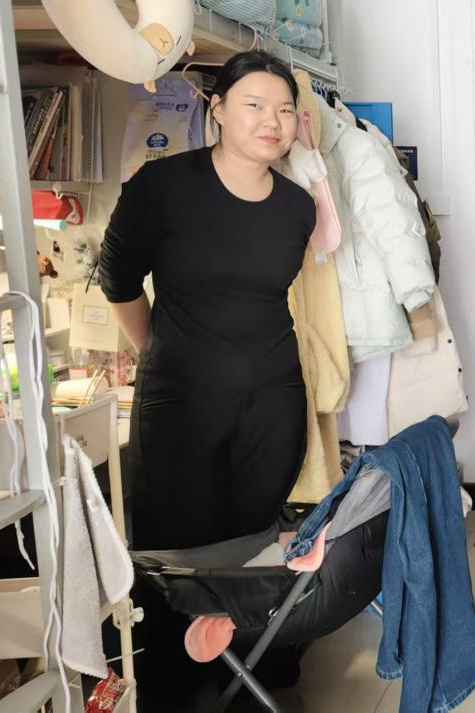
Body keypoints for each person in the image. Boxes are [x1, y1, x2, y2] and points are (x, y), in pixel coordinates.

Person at [100, 51, 314, 711]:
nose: (272, 121)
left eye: (284, 109)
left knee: (253, 540)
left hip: (273, 400)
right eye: (254, 104)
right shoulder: (163, 186)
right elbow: (118, 281)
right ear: (217, 109)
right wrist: (162, 351)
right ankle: (171, 684)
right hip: (180, 402)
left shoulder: (297, 207)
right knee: (176, 548)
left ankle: (246, 676)